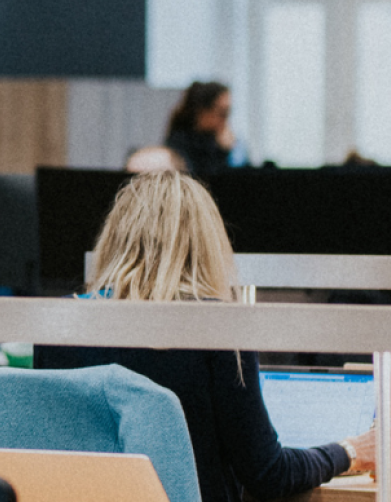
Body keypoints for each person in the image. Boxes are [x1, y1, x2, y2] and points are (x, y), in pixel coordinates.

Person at [34, 172, 375, 502]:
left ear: (114, 238)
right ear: (206, 243)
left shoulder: (62, 322)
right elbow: (268, 474)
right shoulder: (215, 325)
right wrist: (349, 452)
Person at [164, 81, 236, 176]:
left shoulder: (217, 140)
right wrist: (221, 152)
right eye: (223, 113)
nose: (226, 119)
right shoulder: (180, 142)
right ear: (203, 111)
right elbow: (203, 180)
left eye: (229, 112)